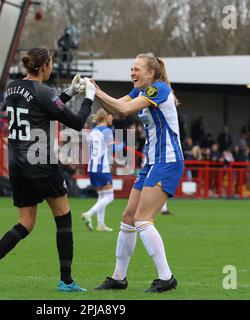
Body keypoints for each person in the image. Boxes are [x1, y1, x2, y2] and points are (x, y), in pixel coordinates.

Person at [0, 48, 95, 292]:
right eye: (51, 63)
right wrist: (89, 96)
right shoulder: (44, 91)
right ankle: (66, 281)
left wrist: (69, 92)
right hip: (41, 161)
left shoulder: (13, 87)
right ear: (45, 66)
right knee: (63, 218)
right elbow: (77, 122)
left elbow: (43, 107)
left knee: (25, 223)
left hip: (17, 163)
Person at [92, 53, 183, 293]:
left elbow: (123, 108)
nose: (132, 73)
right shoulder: (141, 91)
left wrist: (96, 92)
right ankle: (118, 278)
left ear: (151, 74)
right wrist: (94, 92)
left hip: (168, 161)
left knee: (143, 219)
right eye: (131, 69)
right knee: (128, 219)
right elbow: (115, 109)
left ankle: (166, 277)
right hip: (153, 163)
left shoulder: (158, 90)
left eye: (137, 69)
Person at [81, 108, 115, 232]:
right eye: (111, 115)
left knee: (102, 195)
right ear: (105, 117)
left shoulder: (93, 131)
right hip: (102, 167)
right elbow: (111, 150)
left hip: (92, 166)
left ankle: (101, 224)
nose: (112, 118)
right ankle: (89, 214)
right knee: (110, 196)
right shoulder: (107, 131)